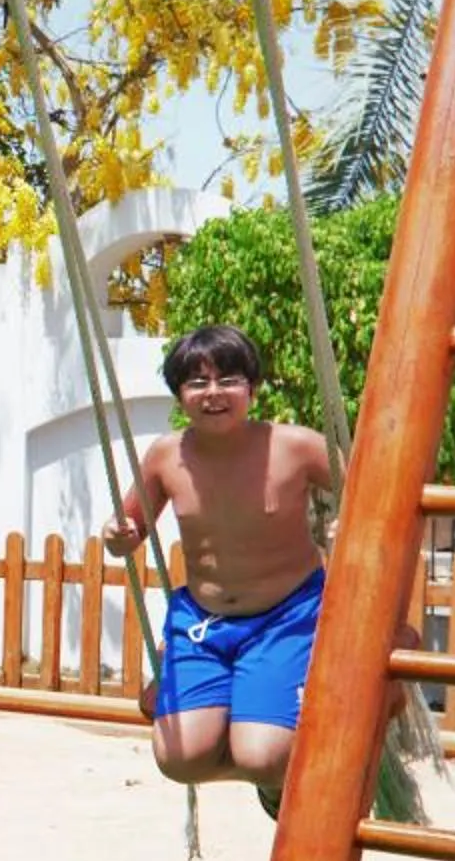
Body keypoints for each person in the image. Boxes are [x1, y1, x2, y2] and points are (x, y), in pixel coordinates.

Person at [101, 324, 337, 813]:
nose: (213, 393)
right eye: (197, 382)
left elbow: (371, 491)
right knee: (178, 760)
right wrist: (117, 534)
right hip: (203, 622)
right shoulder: (166, 456)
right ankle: (264, 748)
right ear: (180, 395)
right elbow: (129, 526)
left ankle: (273, 769)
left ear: (253, 389)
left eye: (228, 380)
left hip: (285, 616)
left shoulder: (296, 446)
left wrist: (351, 523)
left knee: (262, 755)